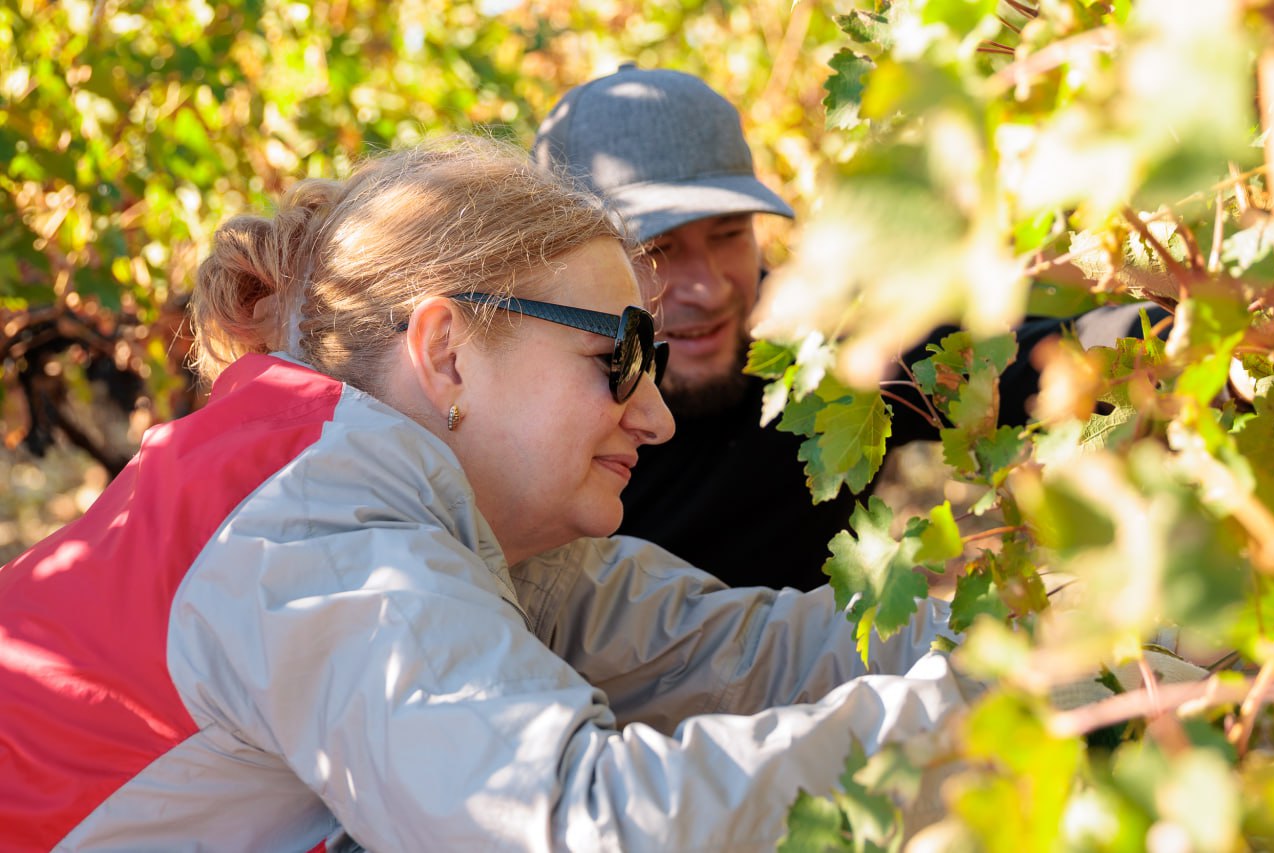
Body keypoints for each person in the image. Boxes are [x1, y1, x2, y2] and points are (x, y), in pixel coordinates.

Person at [0, 138, 966, 851]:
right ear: (448, 352)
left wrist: (1046, 625)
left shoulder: (451, 515)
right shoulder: (319, 535)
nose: (658, 416)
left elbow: (759, 656)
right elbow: (584, 828)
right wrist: (986, 710)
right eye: (615, 356)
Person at [533, 65, 1163, 589]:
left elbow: (1024, 356)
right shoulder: (526, 409)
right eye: (659, 251)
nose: (711, 287)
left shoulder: (816, 340)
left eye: (729, 236)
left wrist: (1194, 338)